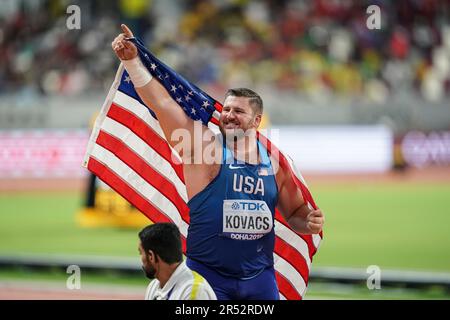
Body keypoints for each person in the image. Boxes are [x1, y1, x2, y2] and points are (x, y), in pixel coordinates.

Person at [113, 24, 325, 300]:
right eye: (225, 109)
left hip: (260, 279)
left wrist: (308, 222)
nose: (228, 115)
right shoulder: (203, 149)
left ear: (257, 121)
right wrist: (132, 63)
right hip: (207, 278)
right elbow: (164, 105)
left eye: (238, 111)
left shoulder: (274, 163)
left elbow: (295, 212)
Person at [138, 223, 217, 300]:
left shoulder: (194, 291)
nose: (141, 258)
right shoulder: (154, 286)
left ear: (151, 256)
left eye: (141, 253)